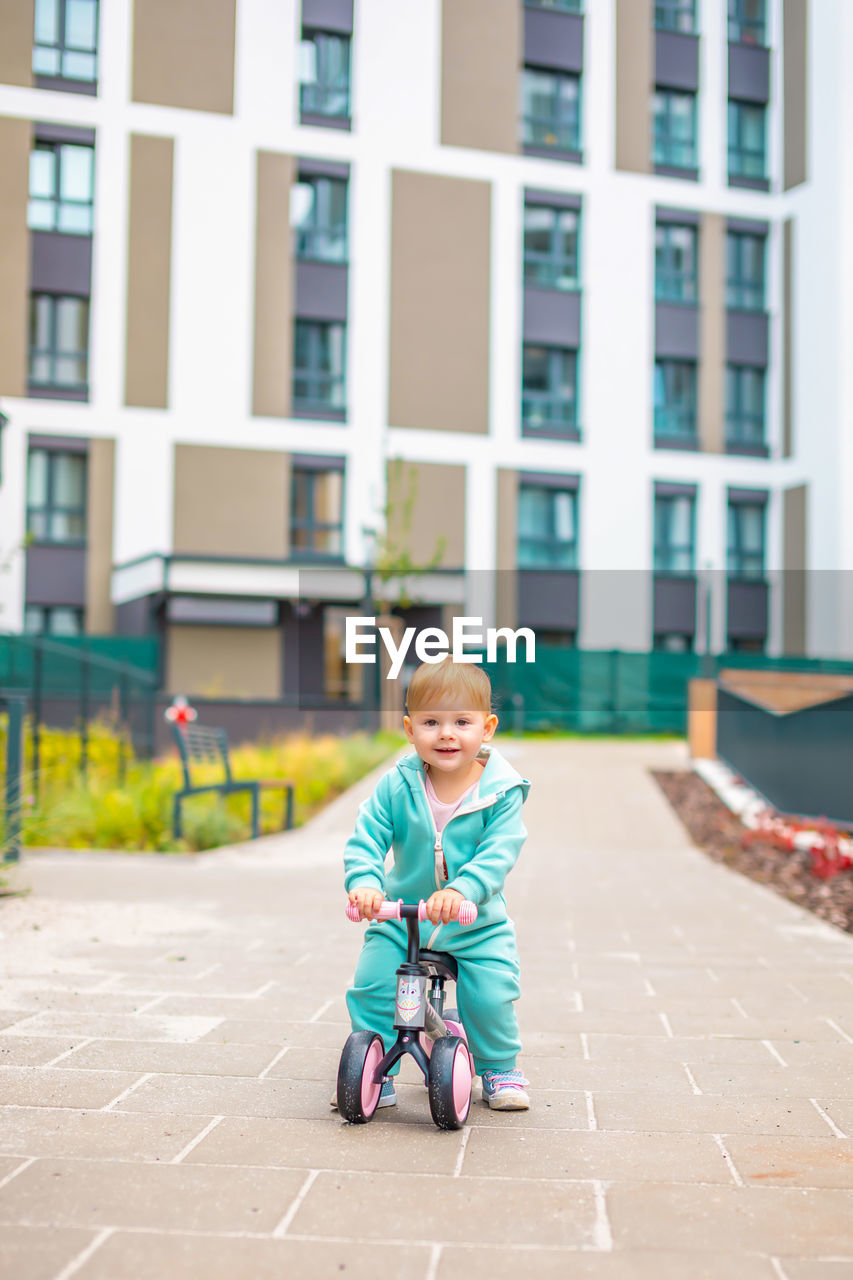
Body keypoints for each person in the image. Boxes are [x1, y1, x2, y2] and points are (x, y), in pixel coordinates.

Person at [335, 654, 531, 1111]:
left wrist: (461, 891)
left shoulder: (501, 793)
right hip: (402, 917)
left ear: (487, 728)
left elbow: (498, 853)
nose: (446, 733)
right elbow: (367, 837)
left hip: (473, 920)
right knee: (371, 984)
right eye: (430, 722)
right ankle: (374, 1069)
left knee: (491, 991)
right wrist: (365, 883)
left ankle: (500, 1067)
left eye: (462, 721)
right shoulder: (396, 785)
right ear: (409, 729)